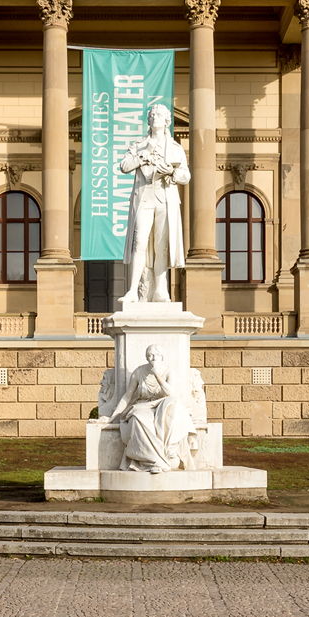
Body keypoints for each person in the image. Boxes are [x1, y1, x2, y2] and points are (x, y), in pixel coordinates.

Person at [119, 103, 190, 306]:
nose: (154, 117)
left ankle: (160, 290)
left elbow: (186, 174)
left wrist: (172, 172)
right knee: (139, 242)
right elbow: (124, 166)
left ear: (167, 121)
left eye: (158, 114)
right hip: (144, 198)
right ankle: (133, 291)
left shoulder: (175, 148)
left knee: (162, 245)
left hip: (165, 198)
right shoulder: (139, 145)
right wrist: (144, 156)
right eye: (151, 115)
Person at [110, 346, 193, 473]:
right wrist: (114, 415)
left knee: (173, 405)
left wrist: (157, 375)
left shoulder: (168, 371)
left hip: (162, 404)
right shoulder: (139, 372)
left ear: (161, 356)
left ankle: (168, 452)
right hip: (143, 406)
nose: (152, 358)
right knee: (137, 416)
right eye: (149, 355)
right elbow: (128, 395)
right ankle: (153, 461)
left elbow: (171, 393)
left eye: (155, 355)